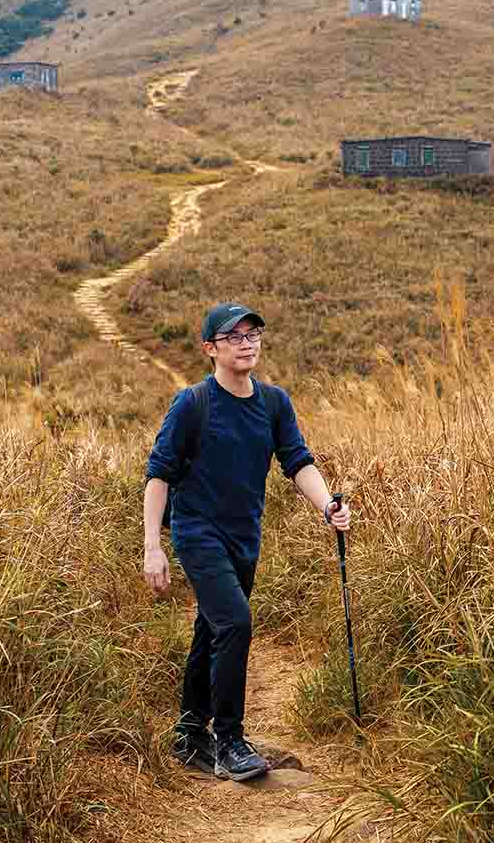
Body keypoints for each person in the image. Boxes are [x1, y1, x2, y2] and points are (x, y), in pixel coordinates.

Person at [142, 302, 352, 781]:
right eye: (233, 336)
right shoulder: (193, 403)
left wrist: (327, 508)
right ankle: (229, 742)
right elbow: (158, 475)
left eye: (252, 334)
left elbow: (297, 462)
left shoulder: (274, 402)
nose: (246, 343)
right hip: (198, 534)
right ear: (210, 348)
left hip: (244, 538)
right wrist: (153, 546)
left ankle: (191, 731)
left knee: (212, 627)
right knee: (235, 622)